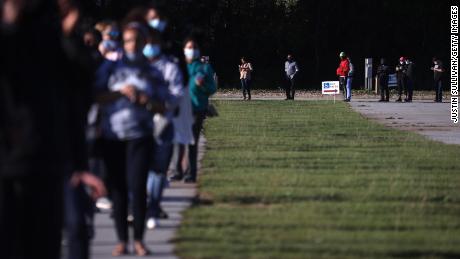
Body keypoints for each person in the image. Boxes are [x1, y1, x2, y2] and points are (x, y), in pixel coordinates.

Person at [94, 22, 170, 256]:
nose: (132, 45)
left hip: (140, 136)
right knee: (118, 189)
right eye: (128, 40)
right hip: (113, 135)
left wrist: (145, 100)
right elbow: (96, 96)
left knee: (137, 188)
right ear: (122, 43)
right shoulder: (110, 68)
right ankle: (121, 240)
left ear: (144, 43)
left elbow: (163, 107)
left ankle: (138, 239)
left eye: (137, 40)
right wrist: (120, 92)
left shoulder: (152, 71)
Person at [143, 28, 186, 229]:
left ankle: (153, 207)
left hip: (162, 123)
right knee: (139, 169)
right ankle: (138, 206)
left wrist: (161, 103)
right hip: (138, 125)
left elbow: (177, 94)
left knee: (158, 170)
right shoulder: (133, 66)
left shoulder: (170, 67)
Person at [183, 38, 217, 183]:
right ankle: (181, 170)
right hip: (180, 109)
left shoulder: (205, 68)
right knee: (179, 142)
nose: (191, 50)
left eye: (194, 47)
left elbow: (212, 88)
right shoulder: (180, 66)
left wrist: (201, 86)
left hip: (197, 108)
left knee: (192, 141)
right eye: (188, 47)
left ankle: (192, 173)